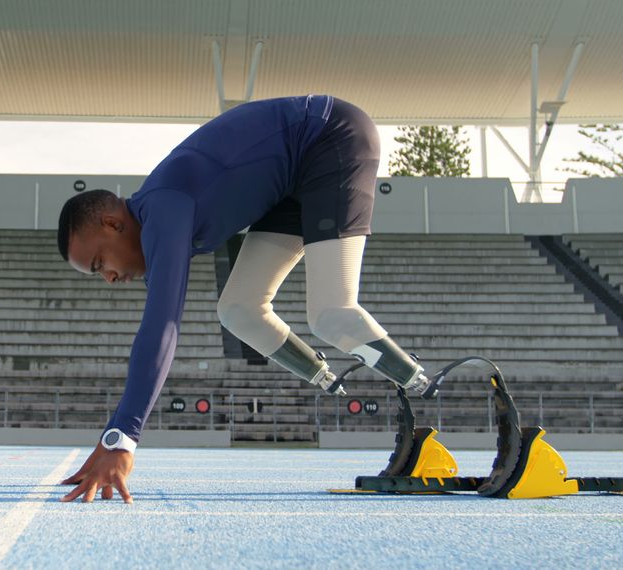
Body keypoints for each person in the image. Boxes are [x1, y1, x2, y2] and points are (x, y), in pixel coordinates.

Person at [55, 95, 439, 504]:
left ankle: (434, 390)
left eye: (99, 264)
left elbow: (161, 327)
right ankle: (328, 377)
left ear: (113, 223)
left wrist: (122, 438)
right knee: (238, 310)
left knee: (332, 314)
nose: (110, 278)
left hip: (330, 136)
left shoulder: (164, 207)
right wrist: (114, 434)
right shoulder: (156, 216)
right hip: (291, 180)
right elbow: (155, 333)